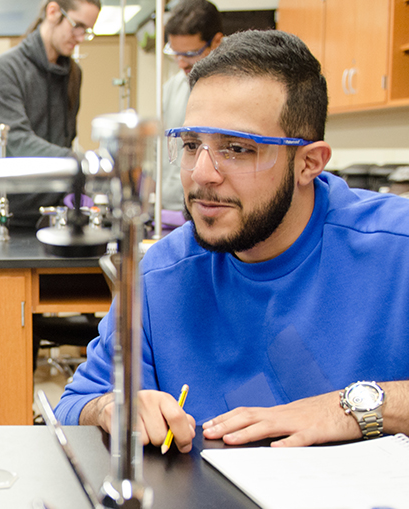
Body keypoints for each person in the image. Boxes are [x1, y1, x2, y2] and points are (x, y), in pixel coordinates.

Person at [55, 30, 409, 455]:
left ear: (309, 163)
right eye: (191, 145)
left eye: (238, 149)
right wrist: (112, 407)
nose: (202, 173)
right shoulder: (160, 274)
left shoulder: (396, 249)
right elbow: (74, 404)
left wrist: (351, 407)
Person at [0, 0, 101, 230]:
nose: (81, 37)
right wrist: (77, 161)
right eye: (77, 26)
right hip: (5, 212)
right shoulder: (7, 67)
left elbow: (66, 137)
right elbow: (17, 140)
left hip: (50, 212)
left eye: (87, 30)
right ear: (53, 12)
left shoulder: (73, 73)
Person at [159, 0, 222, 215]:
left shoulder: (234, 93)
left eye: (190, 54)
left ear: (216, 42)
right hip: (170, 207)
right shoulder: (171, 88)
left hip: (211, 204)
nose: (181, 63)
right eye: (175, 53)